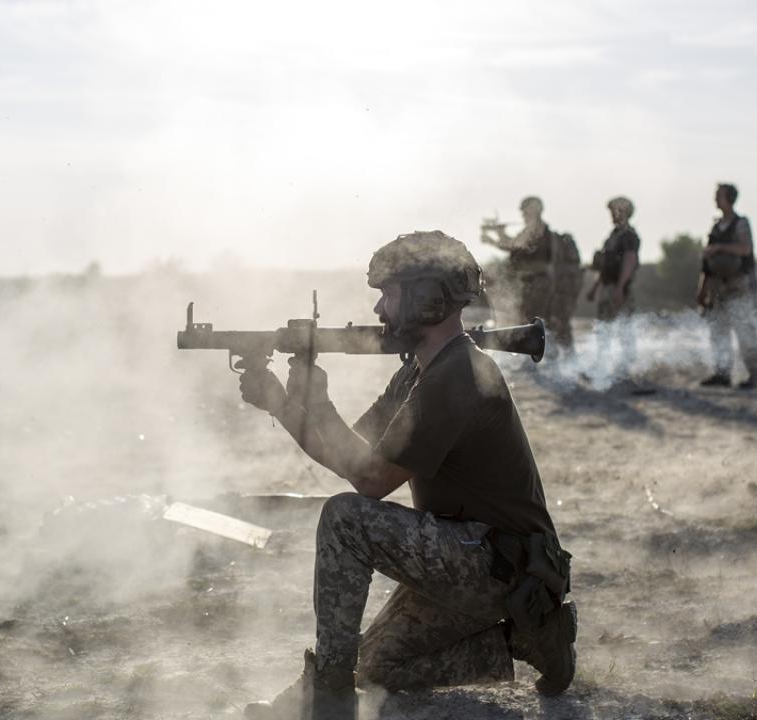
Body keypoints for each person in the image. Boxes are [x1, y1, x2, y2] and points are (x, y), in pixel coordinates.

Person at [238, 231, 577, 719]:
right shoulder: (421, 372)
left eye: (389, 294)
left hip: (499, 562)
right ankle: (530, 638)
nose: (379, 309)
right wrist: (287, 403)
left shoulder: (456, 376)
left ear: (426, 298)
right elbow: (351, 452)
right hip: (479, 557)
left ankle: (329, 694)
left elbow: (370, 481)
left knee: (346, 520)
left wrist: (311, 402)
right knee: (377, 668)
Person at [481, 197, 581, 356]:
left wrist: (492, 239)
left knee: (535, 322)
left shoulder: (536, 229)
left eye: (525, 210)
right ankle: (552, 357)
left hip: (538, 285)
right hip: (534, 285)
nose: (522, 214)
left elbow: (514, 244)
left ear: (535, 209)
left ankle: (546, 356)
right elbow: (515, 244)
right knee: (539, 322)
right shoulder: (535, 230)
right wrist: (500, 233)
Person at [697, 183, 757, 389]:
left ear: (729, 198)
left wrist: (720, 248)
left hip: (738, 286)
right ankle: (722, 374)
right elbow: (707, 265)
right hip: (718, 287)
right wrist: (702, 290)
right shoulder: (716, 227)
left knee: (745, 332)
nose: (715, 199)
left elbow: (745, 249)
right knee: (718, 332)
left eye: (718, 195)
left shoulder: (740, 224)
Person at [585, 196, 640, 378]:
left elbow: (629, 260)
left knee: (624, 328)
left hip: (618, 288)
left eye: (614, 210)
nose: (612, 215)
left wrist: (620, 287)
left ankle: (625, 369)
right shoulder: (614, 235)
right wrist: (595, 288)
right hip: (608, 287)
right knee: (603, 328)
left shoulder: (628, 235)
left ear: (623, 211)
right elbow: (605, 265)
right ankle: (602, 366)